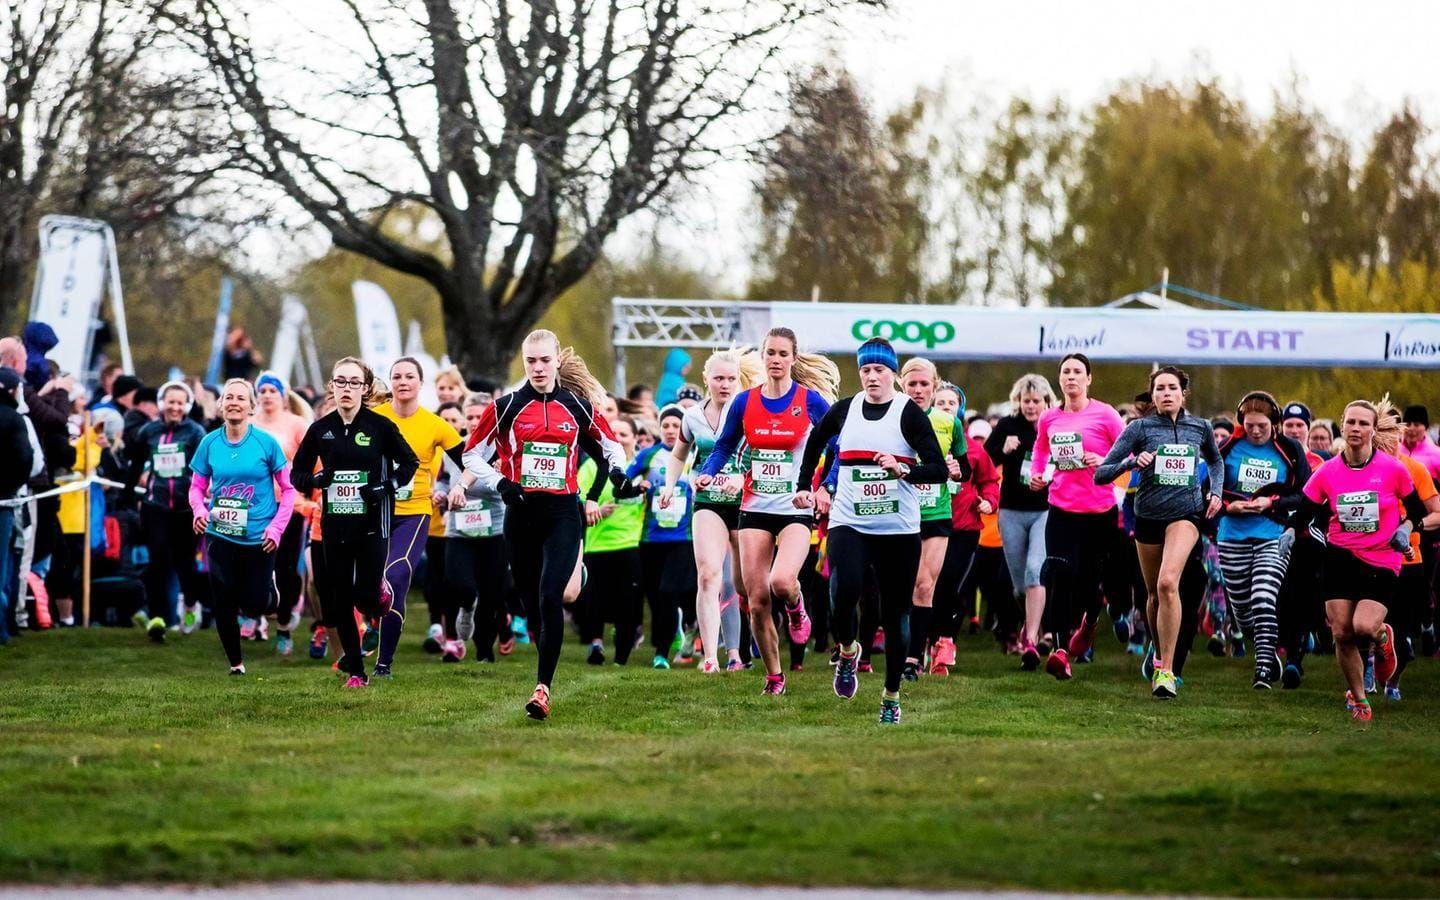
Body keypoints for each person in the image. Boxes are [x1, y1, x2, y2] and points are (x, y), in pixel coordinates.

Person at [450, 330, 633, 720]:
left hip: (563, 513)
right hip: (521, 514)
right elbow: (471, 455)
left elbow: (611, 444)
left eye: (544, 360)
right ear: (524, 361)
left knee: (551, 596)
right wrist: (501, 482)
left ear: (556, 362)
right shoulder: (506, 407)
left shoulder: (577, 406)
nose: (537, 367)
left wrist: (617, 472)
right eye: (530, 361)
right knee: (532, 602)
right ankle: (542, 646)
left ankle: (542, 688)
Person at [794, 337, 946, 724]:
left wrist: (904, 469)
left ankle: (891, 696)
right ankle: (848, 651)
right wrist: (803, 486)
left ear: (893, 374)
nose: (872, 377)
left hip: (897, 527)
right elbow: (815, 442)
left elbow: (938, 468)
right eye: (865, 370)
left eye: (879, 370)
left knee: (896, 614)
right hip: (851, 521)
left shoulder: (909, 414)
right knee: (843, 593)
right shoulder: (845, 411)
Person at [695, 327, 839, 696]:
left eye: (782, 354)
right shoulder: (745, 402)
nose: (775, 360)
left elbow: (838, 446)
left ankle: (796, 606)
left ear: (793, 358)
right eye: (770, 353)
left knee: (780, 582)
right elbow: (724, 446)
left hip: (794, 508)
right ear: (762, 357)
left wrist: (825, 486)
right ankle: (775, 677)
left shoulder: (810, 402)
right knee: (755, 599)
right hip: (754, 506)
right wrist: (707, 473)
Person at [1296, 398, 1427, 723]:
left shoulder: (1393, 469)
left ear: (1372, 429)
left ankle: (1383, 637)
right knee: (1342, 632)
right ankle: (1359, 699)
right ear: (1343, 425)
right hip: (1340, 555)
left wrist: (1406, 527)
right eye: (1351, 422)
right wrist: (1290, 532)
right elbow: (1305, 512)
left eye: (1363, 423)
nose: (1356, 429)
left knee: (1363, 626)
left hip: (1381, 557)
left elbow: (1418, 509)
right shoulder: (1327, 472)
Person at [1094, 366, 1222, 699]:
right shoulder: (1140, 429)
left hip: (1187, 514)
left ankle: (1165, 669)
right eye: (1160, 388)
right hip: (1148, 517)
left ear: (1183, 393)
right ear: (1153, 395)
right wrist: (1131, 463)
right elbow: (1101, 473)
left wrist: (1218, 493)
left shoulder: (1200, 427)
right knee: (1152, 595)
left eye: (1172, 388)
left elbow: (1216, 462)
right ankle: (1158, 649)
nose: (1166, 393)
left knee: (1168, 583)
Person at [291, 358, 419, 688]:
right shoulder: (320, 429)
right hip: (334, 526)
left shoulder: (380, 427)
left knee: (364, 596)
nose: (346, 389)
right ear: (331, 387)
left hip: (373, 525)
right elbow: (297, 474)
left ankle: (377, 594)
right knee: (338, 599)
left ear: (365, 388)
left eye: (353, 383)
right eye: (340, 382)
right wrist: (317, 480)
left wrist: (385, 487)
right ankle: (357, 672)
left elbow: (409, 463)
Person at [1027, 353, 1127, 680]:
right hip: (1061, 508)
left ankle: (1089, 624)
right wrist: (1038, 474)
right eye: (1066, 371)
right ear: (1060, 379)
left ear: (1089, 379)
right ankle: (1058, 651)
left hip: (1099, 512)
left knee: (1089, 583)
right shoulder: (1049, 418)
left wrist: (1104, 460)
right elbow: (1041, 450)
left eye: (1077, 372)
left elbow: (1126, 450)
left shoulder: (1106, 414)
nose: (1071, 377)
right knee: (1059, 573)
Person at [187, 379, 297, 675]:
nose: (234, 402)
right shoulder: (209, 442)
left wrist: (276, 529)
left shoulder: (266, 443)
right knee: (222, 597)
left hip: (259, 537)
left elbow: (288, 490)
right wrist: (199, 509)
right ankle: (236, 663)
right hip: (220, 532)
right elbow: (197, 487)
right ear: (221, 404)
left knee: (254, 604)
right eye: (229, 397)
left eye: (241, 398)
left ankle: (267, 594)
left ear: (251, 407)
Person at [660, 349, 759, 673]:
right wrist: (671, 485)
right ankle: (713, 658)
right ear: (706, 380)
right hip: (708, 503)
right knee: (708, 576)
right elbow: (678, 456)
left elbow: (765, 459)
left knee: (739, 585)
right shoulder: (692, 417)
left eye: (731, 378)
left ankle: (737, 651)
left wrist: (742, 479)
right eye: (719, 378)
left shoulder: (748, 412)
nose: (725, 384)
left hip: (745, 504)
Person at [371, 357, 466, 678]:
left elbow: (469, 461)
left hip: (414, 514)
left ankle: (384, 663)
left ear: (420, 383)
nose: (402, 381)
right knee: (368, 583)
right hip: (374, 513)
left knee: (396, 577)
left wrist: (461, 487)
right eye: (396, 376)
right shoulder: (373, 418)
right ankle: (371, 621)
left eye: (409, 376)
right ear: (390, 382)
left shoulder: (435, 424)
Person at [1214, 391, 1311, 688]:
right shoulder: (1228, 449)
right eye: (1250, 425)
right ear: (1241, 423)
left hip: (1273, 534)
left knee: (1264, 598)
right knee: (1244, 614)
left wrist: (1272, 503)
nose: (1256, 431)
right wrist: (1230, 506)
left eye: (1263, 426)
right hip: (1232, 536)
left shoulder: (1289, 449)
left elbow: (1306, 493)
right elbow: (1209, 490)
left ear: (1275, 425)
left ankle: (1264, 669)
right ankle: (1266, 648)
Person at [896, 358, 970, 681]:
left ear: (934, 385)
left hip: (935, 512)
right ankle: (903, 649)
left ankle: (912, 661)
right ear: (901, 384)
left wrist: (957, 471)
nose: (918, 390)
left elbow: (964, 469)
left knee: (925, 586)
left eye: (924, 384)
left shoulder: (947, 423)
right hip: (897, 513)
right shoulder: (889, 417)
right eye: (912, 383)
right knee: (901, 588)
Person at [124, 380, 209, 638]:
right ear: (162, 403)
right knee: (158, 560)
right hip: (155, 506)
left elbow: (205, 469)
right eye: (170, 402)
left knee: (185, 563)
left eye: (179, 403)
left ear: (187, 406)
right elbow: (136, 463)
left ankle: (191, 604)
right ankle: (158, 618)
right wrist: (128, 494)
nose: (174, 407)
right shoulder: (149, 431)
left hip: (186, 509)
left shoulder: (195, 432)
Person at [984, 373, 1056, 668]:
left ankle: (1032, 639)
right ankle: (1030, 624)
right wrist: (1004, 449)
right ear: (1018, 401)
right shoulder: (1007, 426)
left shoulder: (1055, 426)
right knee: (1019, 585)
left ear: (1046, 401)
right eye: (1026, 401)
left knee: (1034, 572)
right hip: (1011, 510)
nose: (1031, 406)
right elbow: (985, 463)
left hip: (1045, 510)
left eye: (1036, 401)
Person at [251, 371, 313, 654]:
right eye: (261, 390)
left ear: (283, 395)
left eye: (271, 391)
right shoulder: (249, 424)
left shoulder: (296, 424)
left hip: (289, 504)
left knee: (286, 566)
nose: (266, 395)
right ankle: (255, 615)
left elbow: (314, 461)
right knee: (253, 563)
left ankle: (285, 622)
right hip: (253, 505)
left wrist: (312, 494)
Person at [631, 406, 697, 668]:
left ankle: (661, 652)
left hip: (684, 538)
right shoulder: (649, 455)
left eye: (676, 426)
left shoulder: (697, 454)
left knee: (669, 591)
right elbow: (623, 481)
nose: (671, 431)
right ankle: (677, 633)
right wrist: (639, 486)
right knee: (656, 597)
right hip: (650, 539)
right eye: (666, 426)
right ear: (659, 429)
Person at [578, 416, 646, 665]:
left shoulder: (641, 466)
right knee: (595, 600)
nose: (618, 438)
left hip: (630, 543)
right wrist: (593, 509)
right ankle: (596, 645)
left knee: (628, 603)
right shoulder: (593, 467)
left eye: (624, 434)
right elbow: (579, 500)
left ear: (634, 438)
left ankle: (621, 657)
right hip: (598, 543)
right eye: (613, 433)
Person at [0, 368, 35, 644]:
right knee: (3, 567)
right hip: (4, 502)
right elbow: (26, 460)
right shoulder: (14, 419)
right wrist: (11, 488)